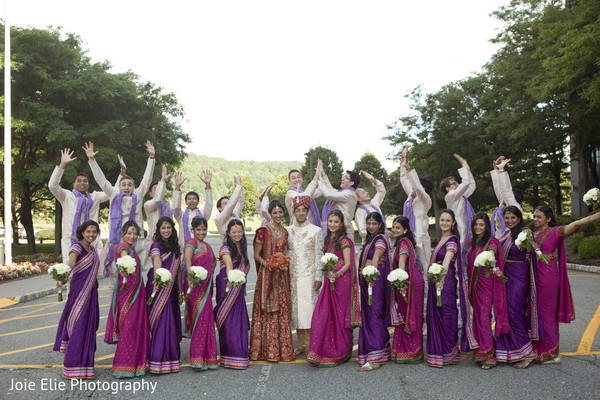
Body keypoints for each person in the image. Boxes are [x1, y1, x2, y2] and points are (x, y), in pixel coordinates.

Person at [532, 205, 600, 364]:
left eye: (539, 217)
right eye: (534, 216)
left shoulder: (555, 231)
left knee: (547, 313)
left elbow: (577, 224)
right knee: (536, 312)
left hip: (548, 276)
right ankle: (538, 349)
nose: (535, 219)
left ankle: (551, 354)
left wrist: (596, 215)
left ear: (548, 219)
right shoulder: (532, 234)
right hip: (533, 274)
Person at [84, 141, 155, 285]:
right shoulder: (113, 194)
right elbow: (101, 180)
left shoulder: (138, 194)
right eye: (124, 184)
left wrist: (152, 157)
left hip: (137, 242)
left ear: (134, 187)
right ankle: (116, 306)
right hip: (117, 241)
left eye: (130, 184)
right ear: (119, 186)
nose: (127, 187)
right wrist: (92, 160)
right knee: (117, 280)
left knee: (136, 278)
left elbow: (147, 179)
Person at [307, 210, 362, 367]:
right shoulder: (329, 239)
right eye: (330, 221)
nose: (332, 224)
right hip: (330, 280)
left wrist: (336, 274)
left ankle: (341, 350)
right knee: (325, 314)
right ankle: (324, 349)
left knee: (339, 316)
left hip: (341, 282)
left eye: (336, 222)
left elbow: (348, 263)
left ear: (341, 223)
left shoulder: (344, 241)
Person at [48, 148, 120, 264]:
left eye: (85, 181)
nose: (82, 183)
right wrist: (63, 164)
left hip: (92, 240)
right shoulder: (67, 196)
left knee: (92, 271)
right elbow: (52, 186)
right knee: (71, 272)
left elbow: (112, 191)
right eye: (79, 181)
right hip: (71, 240)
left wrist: (121, 174)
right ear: (73, 184)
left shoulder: (95, 197)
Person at [496, 206, 543, 368]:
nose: (509, 221)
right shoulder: (504, 234)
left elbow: (534, 251)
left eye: (512, 218)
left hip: (519, 278)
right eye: (507, 218)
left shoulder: (525, 233)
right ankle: (511, 351)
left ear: (519, 218)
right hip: (505, 278)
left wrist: (535, 248)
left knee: (515, 311)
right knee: (506, 313)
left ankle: (527, 354)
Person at [53, 220, 101, 379]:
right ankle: (72, 366)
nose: (91, 234)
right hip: (79, 293)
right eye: (88, 231)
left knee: (88, 327)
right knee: (78, 327)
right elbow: (71, 264)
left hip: (91, 293)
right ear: (82, 232)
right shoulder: (76, 247)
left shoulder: (93, 249)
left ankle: (85, 367)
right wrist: (61, 275)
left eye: (94, 232)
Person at [426, 209, 472, 368]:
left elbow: (446, 262)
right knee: (438, 313)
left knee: (447, 312)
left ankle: (448, 351)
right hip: (437, 280)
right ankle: (438, 352)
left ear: (453, 223)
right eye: (442, 220)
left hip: (445, 282)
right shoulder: (441, 239)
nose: (444, 223)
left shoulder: (452, 241)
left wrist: (441, 279)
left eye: (447, 220)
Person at [250, 200, 295, 362]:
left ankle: (282, 351)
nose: (278, 215)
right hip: (266, 275)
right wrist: (267, 264)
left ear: (284, 213)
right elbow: (256, 255)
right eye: (275, 212)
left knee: (281, 308)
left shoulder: (285, 232)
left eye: (280, 212)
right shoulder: (263, 231)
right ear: (270, 214)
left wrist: (282, 262)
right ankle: (262, 350)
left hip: (281, 275)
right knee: (267, 309)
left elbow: (284, 252)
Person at [104, 220, 150, 378]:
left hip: (137, 292)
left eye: (135, 233)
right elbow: (123, 259)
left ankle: (136, 366)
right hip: (127, 295)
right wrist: (124, 265)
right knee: (128, 328)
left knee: (136, 327)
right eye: (129, 233)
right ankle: (122, 367)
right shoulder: (122, 247)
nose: (132, 236)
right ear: (123, 233)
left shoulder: (131, 248)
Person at [465, 213, 509, 369]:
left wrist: (488, 255)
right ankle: (479, 351)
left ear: (487, 227)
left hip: (485, 284)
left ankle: (488, 355)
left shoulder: (492, 242)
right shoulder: (471, 242)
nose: (478, 227)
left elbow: (492, 253)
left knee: (484, 317)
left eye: (481, 225)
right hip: (473, 283)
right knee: (477, 316)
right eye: (476, 224)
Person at [286, 195, 324, 355]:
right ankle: (301, 344)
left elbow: (319, 255)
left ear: (308, 211)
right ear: (293, 212)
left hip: (309, 277)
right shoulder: (287, 231)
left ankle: (311, 345)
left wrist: (318, 277)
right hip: (292, 276)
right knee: (296, 310)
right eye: (298, 210)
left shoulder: (316, 231)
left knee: (309, 309)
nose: (301, 213)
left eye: (303, 210)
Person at [357, 212, 393, 371]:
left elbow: (377, 258)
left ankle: (375, 358)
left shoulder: (380, 239)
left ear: (380, 225)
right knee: (369, 315)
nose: (371, 226)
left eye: (374, 223)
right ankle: (381, 350)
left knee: (374, 315)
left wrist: (372, 276)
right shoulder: (370, 239)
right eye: (369, 223)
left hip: (375, 281)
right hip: (367, 281)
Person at [146, 217, 182, 374]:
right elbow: (156, 261)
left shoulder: (175, 246)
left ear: (172, 229)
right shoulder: (156, 245)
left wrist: (180, 290)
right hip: (158, 284)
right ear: (159, 230)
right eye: (163, 228)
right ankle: (157, 360)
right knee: (160, 321)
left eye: (168, 227)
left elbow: (179, 270)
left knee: (171, 321)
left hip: (172, 288)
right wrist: (158, 278)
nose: (166, 230)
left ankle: (171, 360)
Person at [183, 217, 218, 371]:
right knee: (199, 322)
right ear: (193, 230)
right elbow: (187, 261)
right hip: (194, 287)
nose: (202, 232)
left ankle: (208, 358)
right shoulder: (191, 243)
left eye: (204, 229)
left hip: (207, 288)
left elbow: (213, 263)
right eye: (198, 229)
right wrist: (191, 278)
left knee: (207, 322)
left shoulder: (208, 246)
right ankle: (197, 359)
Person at [214, 219, 251, 369]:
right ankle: (228, 356)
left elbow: (247, 264)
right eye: (234, 232)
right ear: (229, 233)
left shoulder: (242, 246)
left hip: (238, 284)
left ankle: (240, 355)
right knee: (228, 320)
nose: (237, 234)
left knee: (239, 320)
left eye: (239, 231)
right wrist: (233, 279)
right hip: (227, 284)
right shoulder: (225, 248)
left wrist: (242, 277)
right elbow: (229, 266)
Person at [389, 216, 424, 364]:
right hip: (413, 281)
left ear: (405, 229)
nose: (394, 230)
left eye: (398, 227)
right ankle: (411, 350)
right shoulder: (406, 241)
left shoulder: (403, 243)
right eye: (393, 227)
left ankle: (409, 351)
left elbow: (402, 265)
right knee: (411, 315)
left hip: (408, 283)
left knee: (407, 315)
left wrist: (400, 284)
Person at [399, 145, 432, 268]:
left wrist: (408, 167)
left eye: (415, 184)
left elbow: (417, 187)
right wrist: (404, 163)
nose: (411, 186)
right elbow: (403, 179)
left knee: (425, 264)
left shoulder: (425, 198)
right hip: (408, 233)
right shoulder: (410, 196)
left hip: (421, 236)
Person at [439, 154, 476, 250]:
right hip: (457, 227)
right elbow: (466, 183)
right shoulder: (450, 196)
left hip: (466, 225)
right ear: (448, 188)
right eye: (454, 183)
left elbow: (471, 186)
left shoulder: (460, 196)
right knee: (457, 251)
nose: (457, 184)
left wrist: (467, 169)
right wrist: (464, 166)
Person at [316, 160, 360, 238]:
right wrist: (323, 174)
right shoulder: (343, 192)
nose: (342, 178)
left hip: (344, 233)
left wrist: (318, 178)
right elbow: (330, 189)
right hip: (335, 230)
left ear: (351, 183)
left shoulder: (350, 194)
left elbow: (328, 193)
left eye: (345, 177)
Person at [173, 169, 213, 249]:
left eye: (194, 198)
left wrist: (207, 185)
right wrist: (177, 187)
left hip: (201, 250)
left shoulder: (203, 214)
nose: (192, 200)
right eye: (189, 198)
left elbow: (209, 204)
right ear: (186, 201)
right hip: (184, 249)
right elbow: (176, 207)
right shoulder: (181, 215)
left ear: (198, 202)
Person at [490, 156, 522, 239]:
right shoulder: (502, 205)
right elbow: (498, 187)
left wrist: (501, 170)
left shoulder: (515, 206)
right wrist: (495, 169)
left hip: (512, 239)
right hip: (499, 239)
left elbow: (506, 191)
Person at [354, 171, 387, 244]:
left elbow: (382, 191)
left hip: (385, 241)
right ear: (359, 199)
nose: (367, 193)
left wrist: (373, 179)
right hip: (371, 244)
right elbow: (362, 232)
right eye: (363, 192)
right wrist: (381, 233)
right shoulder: (360, 212)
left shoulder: (374, 203)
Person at [144, 166, 171, 250]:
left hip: (168, 240)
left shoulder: (167, 206)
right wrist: (162, 180)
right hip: (154, 240)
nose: (159, 191)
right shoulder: (148, 205)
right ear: (151, 194)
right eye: (156, 189)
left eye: (160, 189)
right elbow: (157, 199)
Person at [215, 175, 245, 242]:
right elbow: (232, 203)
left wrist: (240, 188)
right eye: (225, 204)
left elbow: (241, 201)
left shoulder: (234, 214)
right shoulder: (220, 219)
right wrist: (238, 187)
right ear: (219, 208)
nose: (228, 205)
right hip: (227, 250)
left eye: (228, 202)